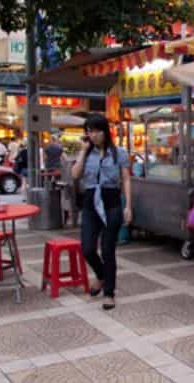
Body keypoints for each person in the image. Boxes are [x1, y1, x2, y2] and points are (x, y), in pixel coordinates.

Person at [71, 113, 133, 311]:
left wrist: (128, 206)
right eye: (89, 131)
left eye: (96, 131)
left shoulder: (119, 153)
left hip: (111, 201)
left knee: (108, 249)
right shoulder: (87, 153)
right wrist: (83, 151)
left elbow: (126, 180)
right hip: (91, 202)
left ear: (105, 131)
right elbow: (75, 174)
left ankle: (109, 293)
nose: (93, 135)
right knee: (87, 248)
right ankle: (101, 275)